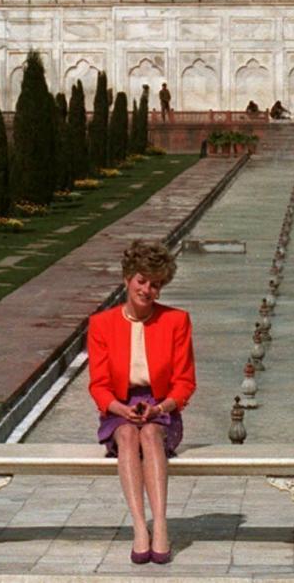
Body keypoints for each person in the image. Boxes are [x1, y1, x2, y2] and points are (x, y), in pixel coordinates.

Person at [87, 239, 195, 565]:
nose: (147, 290)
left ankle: (160, 523)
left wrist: (160, 408)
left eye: (156, 284)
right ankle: (139, 527)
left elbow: (185, 382)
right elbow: (99, 385)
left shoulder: (177, 321)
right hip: (119, 407)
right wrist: (119, 409)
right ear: (127, 279)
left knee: (149, 433)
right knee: (127, 434)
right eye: (142, 280)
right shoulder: (101, 324)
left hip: (162, 409)